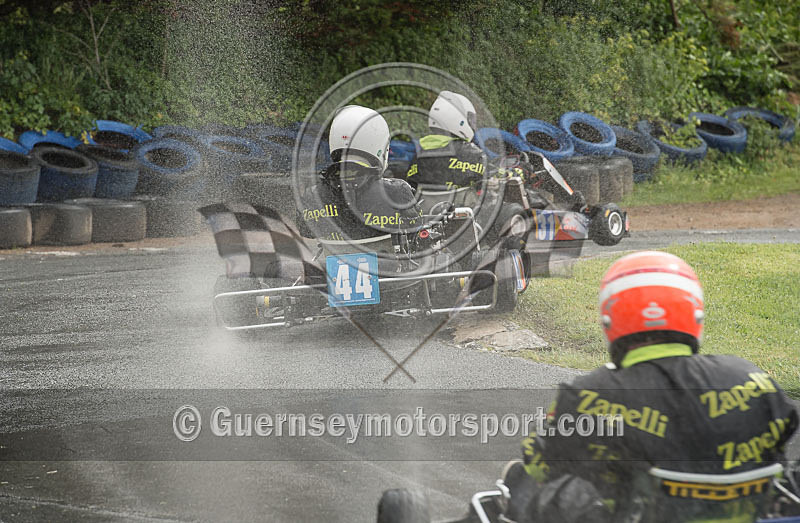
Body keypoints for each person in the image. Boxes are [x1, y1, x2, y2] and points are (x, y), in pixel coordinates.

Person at [507, 250, 799, 523]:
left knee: (518, 481)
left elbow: (539, 468)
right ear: (694, 314)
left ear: (610, 320)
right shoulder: (754, 381)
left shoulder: (587, 396)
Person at [406, 90, 584, 210]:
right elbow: (495, 175)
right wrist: (524, 171)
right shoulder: (466, 151)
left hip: (429, 215)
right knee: (529, 169)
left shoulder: (419, 152)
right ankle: (576, 205)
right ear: (458, 120)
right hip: (466, 216)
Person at [298, 105, 423, 242]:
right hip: (387, 261)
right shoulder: (397, 190)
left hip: (335, 261)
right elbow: (416, 228)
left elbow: (305, 230)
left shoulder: (313, 193)